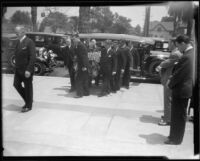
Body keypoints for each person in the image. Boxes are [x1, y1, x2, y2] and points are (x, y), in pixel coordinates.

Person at [165, 35, 194, 145]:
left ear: (183, 43)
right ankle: (174, 136)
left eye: (178, 46)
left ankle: (175, 139)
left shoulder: (187, 56)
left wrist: (170, 84)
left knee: (178, 116)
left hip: (181, 90)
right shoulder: (191, 54)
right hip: (184, 89)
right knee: (178, 115)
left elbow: (179, 74)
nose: (178, 49)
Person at [156, 39, 182, 126]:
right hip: (171, 79)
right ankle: (168, 116)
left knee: (167, 100)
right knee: (169, 99)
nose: (168, 46)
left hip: (169, 79)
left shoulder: (175, 53)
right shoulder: (176, 53)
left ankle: (167, 119)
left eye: (169, 44)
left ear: (174, 44)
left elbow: (167, 63)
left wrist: (160, 65)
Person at [13, 25, 36, 112]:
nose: (16, 34)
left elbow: (33, 57)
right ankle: (29, 98)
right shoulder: (18, 42)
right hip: (18, 69)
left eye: (17, 32)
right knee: (16, 84)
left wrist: (29, 70)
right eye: (15, 32)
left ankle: (28, 105)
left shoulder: (29, 42)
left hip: (26, 70)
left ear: (23, 32)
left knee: (28, 87)